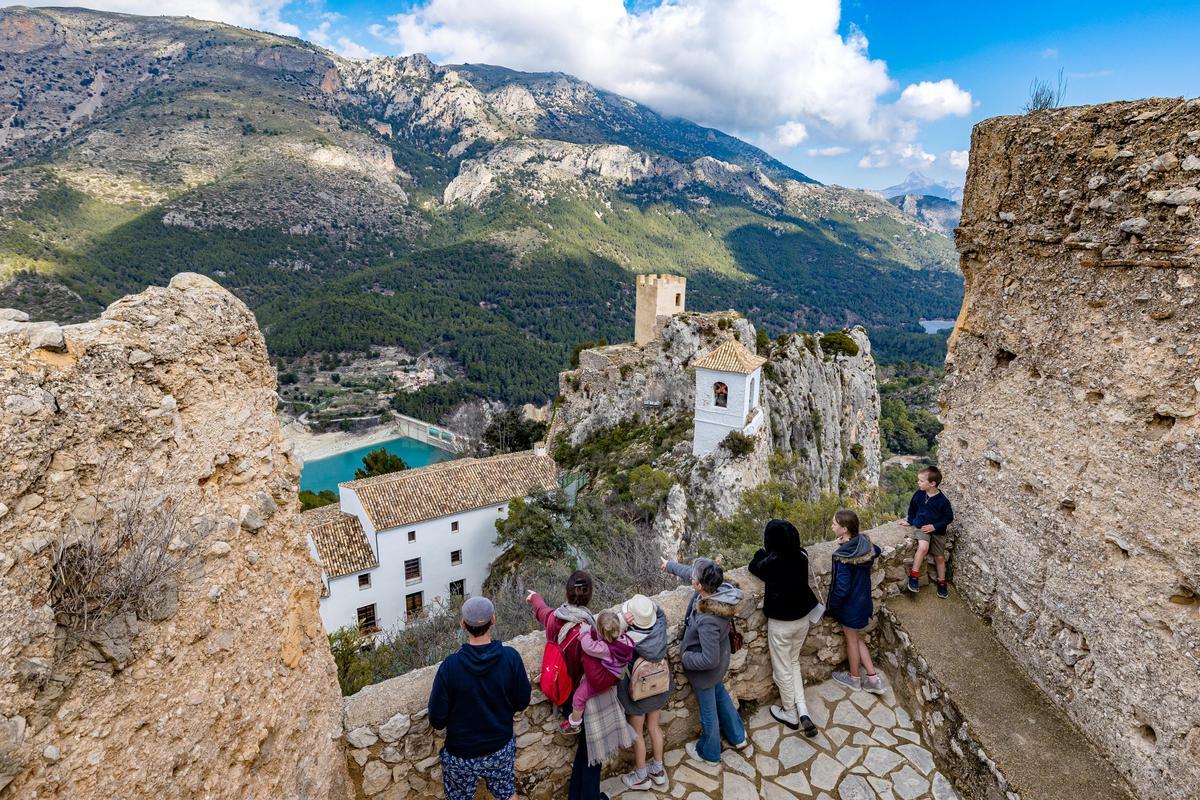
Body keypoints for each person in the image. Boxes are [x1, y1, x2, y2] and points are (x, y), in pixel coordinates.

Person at [428, 596, 532, 800]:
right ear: (493, 620)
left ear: (462, 624)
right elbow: (522, 701)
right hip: (500, 747)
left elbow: (437, 720)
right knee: (507, 793)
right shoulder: (511, 658)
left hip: (461, 754)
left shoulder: (450, 667)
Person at [527, 571, 609, 800]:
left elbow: (542, 612)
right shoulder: (588, 631)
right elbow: (595, 672)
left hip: (564, 695)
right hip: (585, 700)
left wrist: (535, 598)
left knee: (586, 749)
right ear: (589, 596)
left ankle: (577, 796)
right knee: (593, 752)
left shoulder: (555, 618)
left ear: (567, 593)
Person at [662, 555, 750, 764]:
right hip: (719, 666)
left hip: (706, 671)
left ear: (698, 585)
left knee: (708, 712)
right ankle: (738, 736)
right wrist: (669, 566)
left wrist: (686, 658)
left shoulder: (708, 619)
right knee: (720, 695)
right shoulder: (719, 589)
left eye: (693, 578)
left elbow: (709, 659)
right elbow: (690, 572)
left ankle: (709, 752)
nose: (690, 578)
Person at [749, 519, 821, 737]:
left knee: (782, 669)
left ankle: (790, 712)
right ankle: (804, 711)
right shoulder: (801, 557)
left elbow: (754, 564)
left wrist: (765, 551)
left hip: (781, 624)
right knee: (794, 662)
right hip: (802, 620)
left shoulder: (772, 563)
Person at [616, 594, 673, 790]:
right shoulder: (660, 627)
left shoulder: (628, 639)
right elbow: (661, 612)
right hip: (658, 688)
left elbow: (610, 638)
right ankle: (658, 770)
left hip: (638, 695)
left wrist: (624, 619)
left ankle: (641, 776)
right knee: (654, 728)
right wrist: (647, 609)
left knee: (638, 734)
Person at [827, 510, 886, 694]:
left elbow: (842, 588)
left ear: (844, 529)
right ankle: (873, 679)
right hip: (863, 602)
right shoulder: (864, 544)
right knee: (857, 638)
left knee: (852, 641)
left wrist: (831, 606)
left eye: (835, 524)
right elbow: (878, 550)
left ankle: (854, 679)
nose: (832, 526)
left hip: (850, 606)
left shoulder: (843, 557)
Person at [562, 610, 636, 733]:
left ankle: (574, 724)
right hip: (617, 673)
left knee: (579, 697)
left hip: (605, 678)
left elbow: (588, 646)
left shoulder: (605, 648)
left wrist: (585, 631)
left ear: (601, 632)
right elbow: (613, 626)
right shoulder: (625, 639)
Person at [899, 466, 954, 598]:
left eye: (921, 481)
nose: (918, 483)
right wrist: (910, 520)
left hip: (937, 530)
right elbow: (912, 508)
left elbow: (948, 518)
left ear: (932, 483)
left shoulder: (943, 501)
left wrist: (934, 526)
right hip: (921, 526)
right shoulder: (919, 494)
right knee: (923, 547)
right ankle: (914, 575)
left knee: (939, 557)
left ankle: (941, 582)